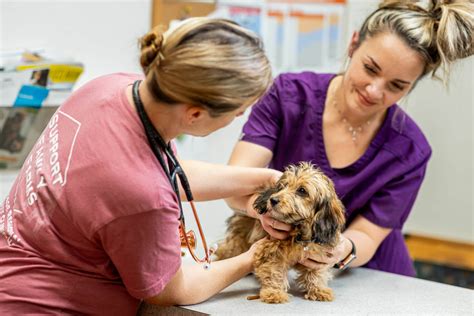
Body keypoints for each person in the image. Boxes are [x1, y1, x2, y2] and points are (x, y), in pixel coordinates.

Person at [0, 18, 280, 314]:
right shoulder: (144, 196)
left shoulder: (110, 88)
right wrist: (255, 255)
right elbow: (173, 290)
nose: (239, 117)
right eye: (239, 111)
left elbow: (161, 171)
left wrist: (264, 179)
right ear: (195, 114)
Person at [226, 0, 473, 277]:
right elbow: (237, 182)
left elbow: (368, 234)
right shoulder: (288, 96)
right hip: (282, 261)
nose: (374, 91)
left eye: (396, 86)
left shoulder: (410, 150)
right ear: (353, 44)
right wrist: (262, 211)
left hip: (371, 274)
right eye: (370, 68)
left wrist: (342, 249)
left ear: (412, 85)